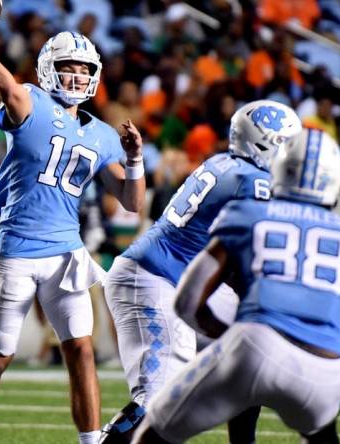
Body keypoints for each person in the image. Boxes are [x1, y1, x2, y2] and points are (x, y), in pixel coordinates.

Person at [0, 19, 145, 444]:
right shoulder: (32, 102)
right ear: (48, 70)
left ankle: (90, 442)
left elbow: (132, 202)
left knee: (81, 349)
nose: (77, 76)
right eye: (68, 67)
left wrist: (135, 160)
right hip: (18, 249)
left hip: (67, 253)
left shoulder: (100, 133)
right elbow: (5, 86)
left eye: (83, 68)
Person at [132, 126, 340, 443]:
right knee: (321, 435)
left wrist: (225, 339)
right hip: (325, 367)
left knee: (152, 434)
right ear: (337, 180)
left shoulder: (247, 214)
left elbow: (188, 300)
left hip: (255, 345)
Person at [101, 100, 302, 443]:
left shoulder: (224, 162)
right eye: (285, 144)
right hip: (155, 278)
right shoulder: (253, 181)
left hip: (179, 277)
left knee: (249, 351)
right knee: (158, 401)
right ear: (263, 144)